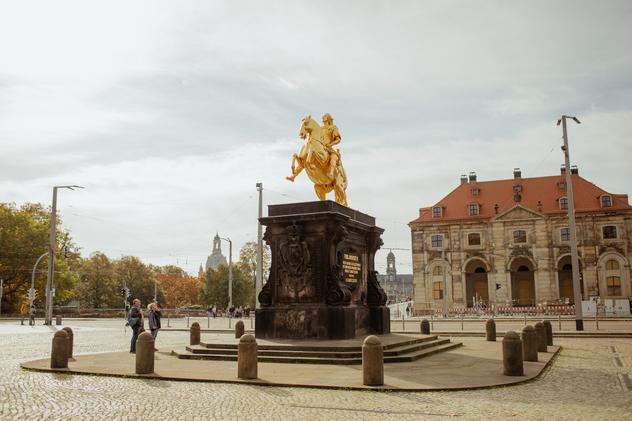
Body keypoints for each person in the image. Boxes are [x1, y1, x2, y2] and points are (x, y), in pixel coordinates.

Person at [321, 113, 341, 179]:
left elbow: (338, 139)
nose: (324, 121)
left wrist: (330, 144)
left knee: (334, 157)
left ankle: (331, 172)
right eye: (323, 120)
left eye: (325, 120)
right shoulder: (320, 129)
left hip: (329, 148)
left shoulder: (333, 128)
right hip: (320, 147)